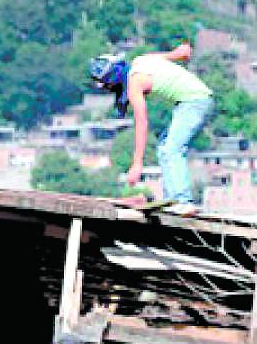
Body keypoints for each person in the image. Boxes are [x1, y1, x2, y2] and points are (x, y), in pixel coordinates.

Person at [90, 40, 214, 214]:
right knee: (164, 148)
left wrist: (137, 164)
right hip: (196, 100)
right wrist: (183, 52)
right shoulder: (141, 60)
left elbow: (142, 124)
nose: (111, 89)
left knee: (172, 149)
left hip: (194, 102)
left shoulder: (134, 83)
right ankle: (173, 200)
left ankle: (183, 200)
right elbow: (175, 55)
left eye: (109, 85)